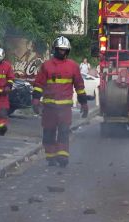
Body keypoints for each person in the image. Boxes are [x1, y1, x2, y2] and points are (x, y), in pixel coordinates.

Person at [32, 36, 88, 168]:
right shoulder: (46, 66)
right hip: (49, 107)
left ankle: (62, 156)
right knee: (49, 133)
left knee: (63, 132)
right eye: (60, 50)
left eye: (64, 50)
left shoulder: (73, 66)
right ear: (55, 50)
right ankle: (51, 157)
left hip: (64, 108)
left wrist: (84, 104)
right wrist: (35, 100)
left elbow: (79, 87)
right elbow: (39, 84)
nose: (62, 52)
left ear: (67, 51)